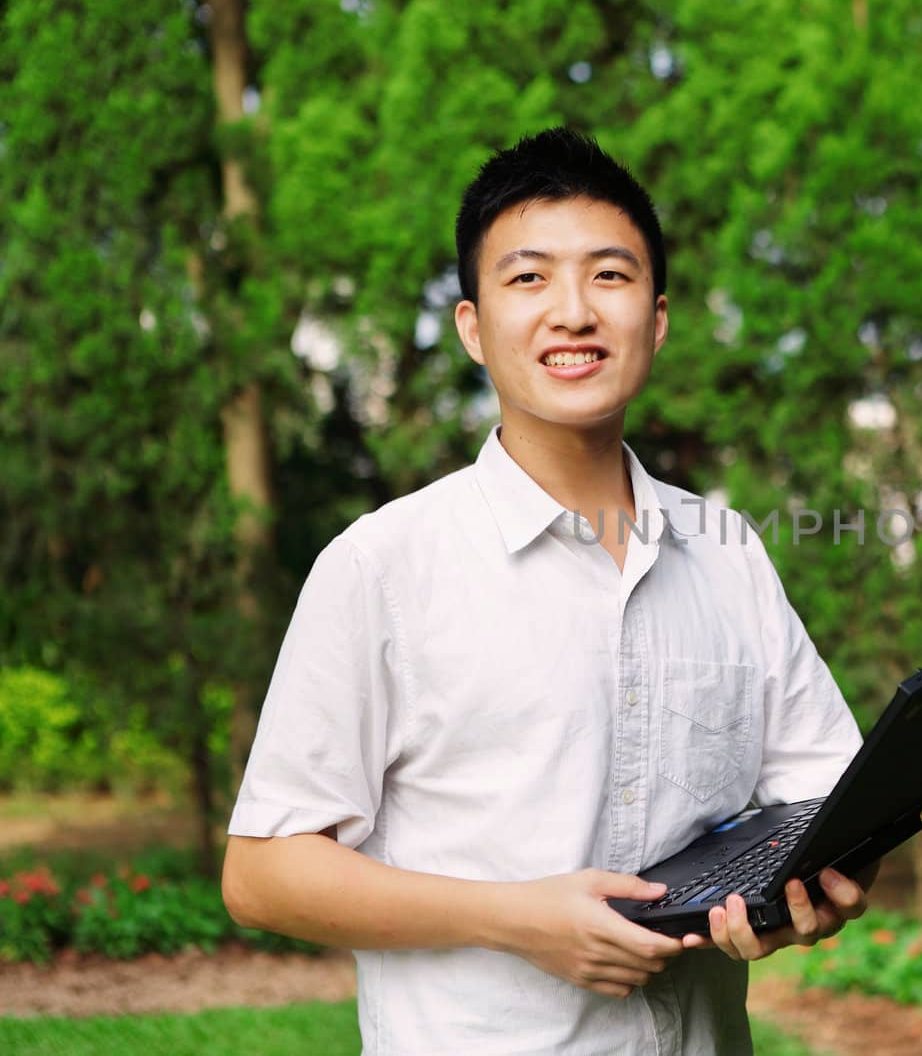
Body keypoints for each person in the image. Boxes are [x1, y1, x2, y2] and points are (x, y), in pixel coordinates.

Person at [221, 127, 875, 1055]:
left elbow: (826, 791)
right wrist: (516, 918)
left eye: (609, 275)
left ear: (656, 319)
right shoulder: (382, 567)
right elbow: (262, 875)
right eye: (528, 278)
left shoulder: (727, 551)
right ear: (473, 328)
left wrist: (808, 887)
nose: (572, 311)